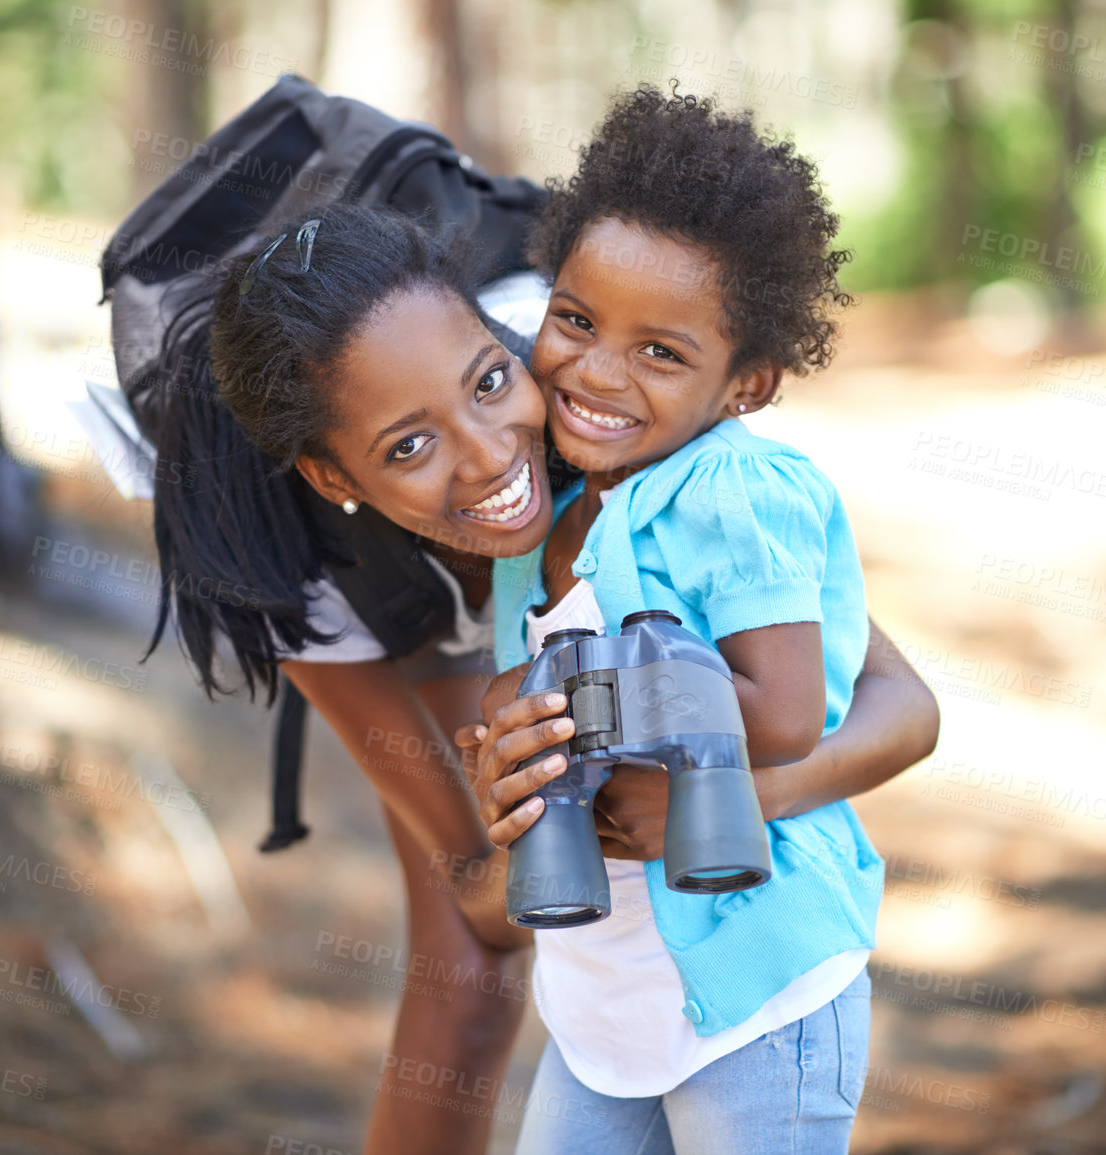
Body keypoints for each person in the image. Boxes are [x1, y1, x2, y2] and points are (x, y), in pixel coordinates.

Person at [141, 199, 938, 1155]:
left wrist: (728, 795)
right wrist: (513, 809)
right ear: (335, 475)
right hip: (605, 1019)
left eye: (487, 382)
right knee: (464, 974)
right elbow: (481, 898)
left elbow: (885, 703)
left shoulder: (597, 402)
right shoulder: (306, 579)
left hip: (755, 992)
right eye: (408, 443)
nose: (487, 456)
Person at [466, 86, 902, 1153]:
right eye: (575, 321)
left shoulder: (732, 493)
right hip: (603, 1005)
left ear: (747, 383)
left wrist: (623, 718)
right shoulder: (551, 507)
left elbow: (790, 712)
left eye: (661, 353)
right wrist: (511, 738)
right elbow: (523, 683)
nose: (597, 373)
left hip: (759, 999)